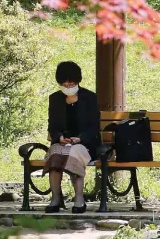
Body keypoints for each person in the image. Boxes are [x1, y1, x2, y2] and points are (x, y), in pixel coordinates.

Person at [43, 61, 100, 213]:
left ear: (77, 81)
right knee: (55, 154)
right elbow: (52, 125)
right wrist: (59, 137)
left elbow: (94, 127)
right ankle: (55, 199)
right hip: (62, 143)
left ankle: (79, 199)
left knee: (74, 154)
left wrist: (80, 139)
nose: (68, 87)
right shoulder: (55, 99)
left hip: (85, 143)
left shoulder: (90, 98)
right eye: (65, 84)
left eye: (71, 83)